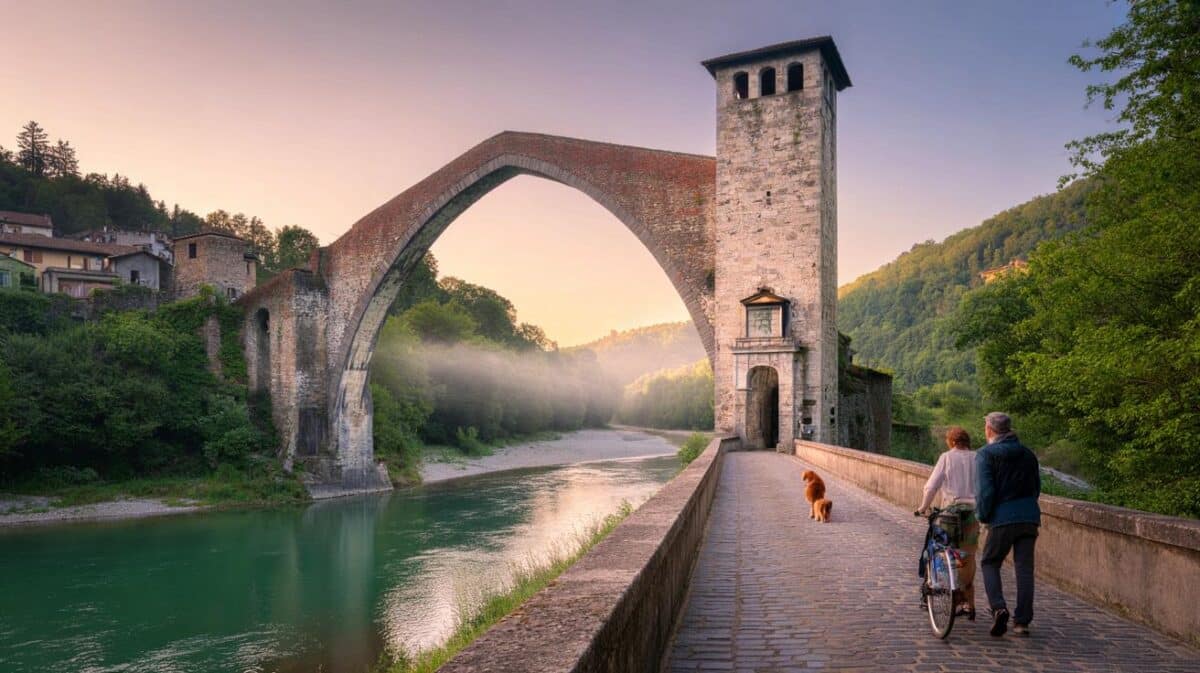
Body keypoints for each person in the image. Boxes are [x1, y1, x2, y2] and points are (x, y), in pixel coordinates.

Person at [976, 412, 1041, 637]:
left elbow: (985, 492)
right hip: (1029, 517)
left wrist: (983, 515)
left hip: (1003, 517)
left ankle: (998, 607)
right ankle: (1022, 622)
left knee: (989, 561)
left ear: (990, 430)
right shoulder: (1028, 454)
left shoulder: (986, 454)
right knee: (1024, 569)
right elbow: (1036, 488)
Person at [917, 426, 980, 621]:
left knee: (939, 549)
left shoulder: (947, 457)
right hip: (972, 514)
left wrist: (922, 507)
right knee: (967, 556)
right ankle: (968, 601)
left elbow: (932, 486)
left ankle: (943, 588)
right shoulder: (978, 458)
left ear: (952, 442)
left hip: (950, 513)